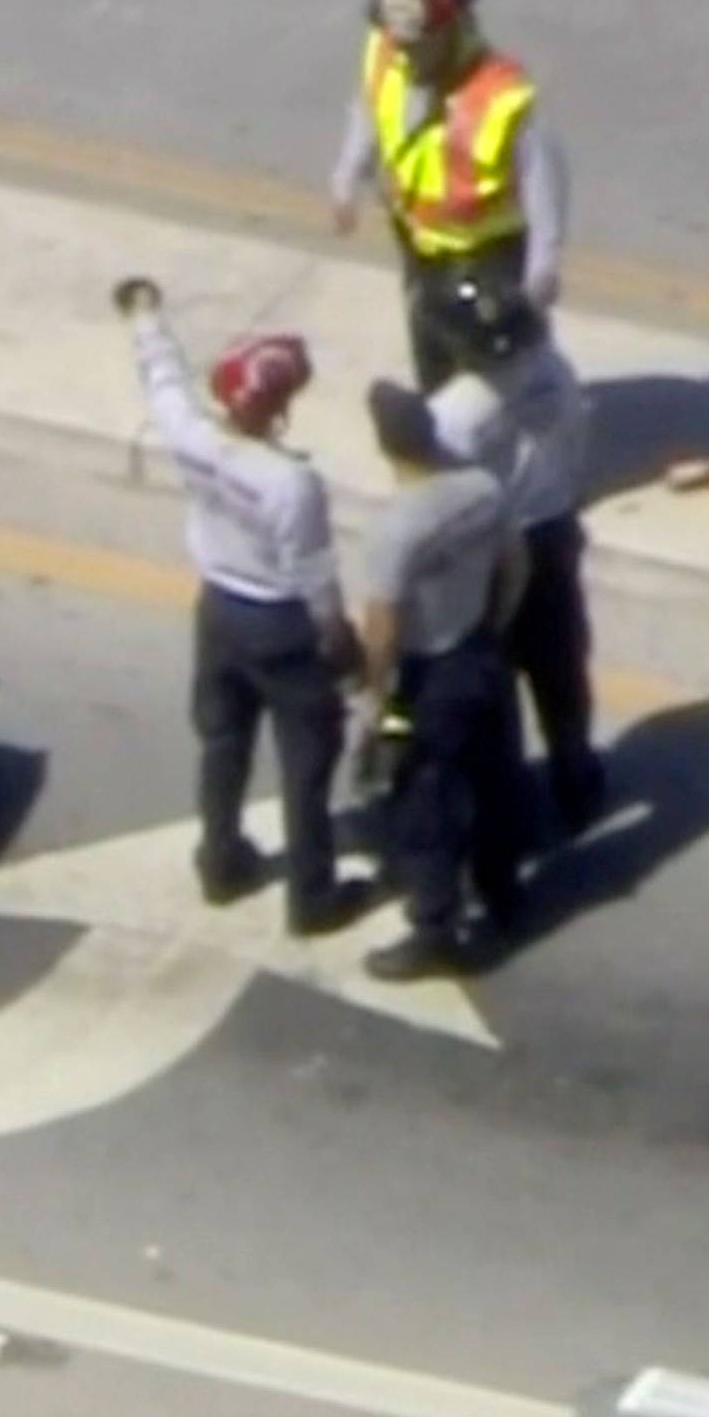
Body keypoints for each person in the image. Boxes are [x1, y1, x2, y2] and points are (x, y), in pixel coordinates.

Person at [114, 274, 371, 936]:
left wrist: (145, 316)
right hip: (283, 624)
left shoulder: (193, 437)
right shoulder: (291, 483)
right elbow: (314, 576)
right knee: (306, 765)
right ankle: (312, 899)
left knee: (223, 743)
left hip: (219, 609)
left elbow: (163, 380)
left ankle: (221, 861)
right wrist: (340, 640)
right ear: (280, 409)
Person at [401, 274, 607, 834]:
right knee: (561, 664)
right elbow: (577, 441)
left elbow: (438, 499)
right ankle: (575, 773)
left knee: (492, 679)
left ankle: (507, 801)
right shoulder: (553, 372)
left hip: (490, 554)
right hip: (553, 532)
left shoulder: (452, 414)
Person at [355, 383, 534, 980]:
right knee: (494, 776)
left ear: (386, 448)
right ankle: (502, 888)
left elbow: (381, 631)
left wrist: (374, 704)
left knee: (421, 792)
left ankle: (433, 925)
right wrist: (493, 630)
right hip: (478, 653)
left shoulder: (397, 528)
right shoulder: (484, 490)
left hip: (416, 679)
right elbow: (515, 566)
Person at [330, 0, 569, 393]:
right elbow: (368, 109)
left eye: (420, 44)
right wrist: (347, 177)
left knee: (501, 369)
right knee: (432, 349)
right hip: (419, 243)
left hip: (486, 255)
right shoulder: (387, 53)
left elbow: (545, 188)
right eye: (400, 42)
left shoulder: (502, 96)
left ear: (450, 27)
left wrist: (541, 271)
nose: (407, 53)